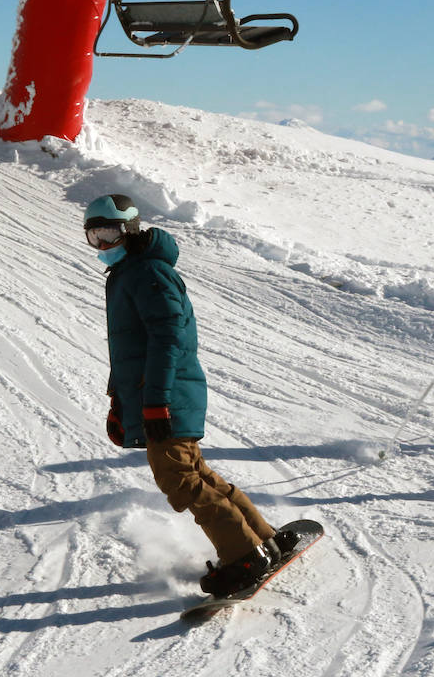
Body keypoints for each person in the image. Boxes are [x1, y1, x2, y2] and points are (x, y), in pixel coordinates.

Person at [83, 195, 297, 598]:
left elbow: (168, 340)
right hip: (158, 394)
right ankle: (261, 539)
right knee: (196, 472)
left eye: (109, 233)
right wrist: (121, 403)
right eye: (94, 236)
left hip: (167, 394)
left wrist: (156, 401)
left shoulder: (147, 273)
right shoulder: (132, 271)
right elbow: (133, 350)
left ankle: (245, 555)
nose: (103, 245)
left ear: (129, 230)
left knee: (180, 479)